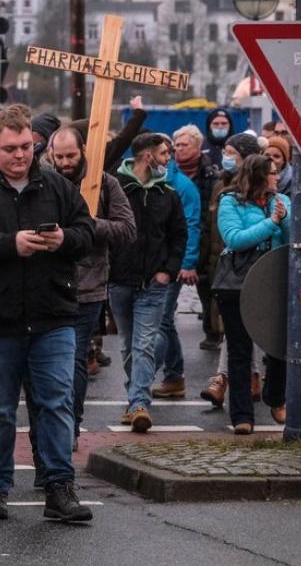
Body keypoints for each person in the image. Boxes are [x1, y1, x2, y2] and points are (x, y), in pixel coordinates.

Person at [0, 104, 95, 523]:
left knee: (55, 403)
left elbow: (87, 232)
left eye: (27, 146)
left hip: (53, 312)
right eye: (10, 148)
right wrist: (9, 244)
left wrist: (64, 238)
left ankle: (59, 487)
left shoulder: (57, 187)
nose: (20, 155)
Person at [44, 128, 135, 447]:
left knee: (74, 358)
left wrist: (88, 225)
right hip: (46, 284)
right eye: (60, 157)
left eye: (71, 156)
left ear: (83, 150)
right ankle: (51, 421)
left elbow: (127, 229)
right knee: (47, 361)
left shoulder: (105, 183)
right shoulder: (43, 181)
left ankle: (70, 424)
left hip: (88, 286)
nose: (66, 162)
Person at [108, 133, 187, 433]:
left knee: (143, 343)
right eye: (165, 154)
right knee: (128, 343)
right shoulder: (116, 187)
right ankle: (134, 395)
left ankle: (139, 403)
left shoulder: (167, 193)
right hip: (120, 280)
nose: (169, 159)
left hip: (154, 282)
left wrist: (169, 270)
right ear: (147, 156)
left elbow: (178, 235)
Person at [214, 155, 290, 433]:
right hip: (238, 284)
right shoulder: (230, 202)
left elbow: (294, 237)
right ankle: (242, 415)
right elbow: (234, 238)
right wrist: (271, 223)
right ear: (259, 176)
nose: (277, 177)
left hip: (274, 281)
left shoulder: (281, 201)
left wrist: (287, 220)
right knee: (240, 351)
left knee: (280, 346)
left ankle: (275, 397)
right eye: (272, 173)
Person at [200, 132, 262, 406]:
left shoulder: (262, 194)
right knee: (234, 331)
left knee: (246, 330)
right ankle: (240, 379)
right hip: (225, 267)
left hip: (255, 268)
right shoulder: (222, 189)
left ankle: (230, 378)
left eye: (231, 154)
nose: (225, 158)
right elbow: (216, 232)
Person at [154, 131, 202, 401]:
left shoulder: (182, 186)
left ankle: (172, 374)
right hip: (150, 262)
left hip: (170, 263)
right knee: (161, 321)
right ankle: (172, 375)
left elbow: (191, 226)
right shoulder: (148, 181)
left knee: (162, 320)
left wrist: (187, 262)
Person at [171, 124, 223, 351]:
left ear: (198, 147)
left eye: (184, 145)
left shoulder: (210, 173)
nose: (179, 149)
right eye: (177, 145)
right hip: (176, 237)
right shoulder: (170, 173)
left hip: (205, 236)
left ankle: (212, 332)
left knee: (208, 290)